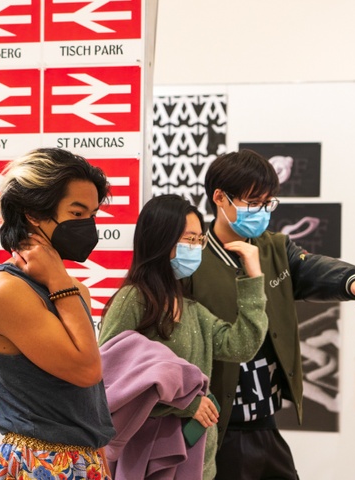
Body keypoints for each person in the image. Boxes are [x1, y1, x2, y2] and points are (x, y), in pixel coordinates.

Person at [184, 149, 355, 479]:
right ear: (220, 198)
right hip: (218, 420)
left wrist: (352, 281)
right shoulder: (192, 256)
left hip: (265, 416)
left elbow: (312, 269)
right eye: (253, 201)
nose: (262, 211)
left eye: (268, 203)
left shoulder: (274, 248)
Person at [98, 194, 269, 480]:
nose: (196, 247)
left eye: (199, 240)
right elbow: (111, 380)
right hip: (149, 456)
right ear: (161, 239)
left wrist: (253, 277)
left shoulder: (191, 308)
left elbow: (242, 346)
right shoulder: (133, 300)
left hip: (197, 457)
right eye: (189, 239)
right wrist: (186, 403)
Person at [0, 147, 115, 480]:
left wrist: (98, 454)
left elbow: (86, 398)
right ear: (33, 212)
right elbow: (86, 370)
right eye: (77, 213)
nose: (88, 226)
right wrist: (59, 281)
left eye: (93, 214)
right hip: (38, 461)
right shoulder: (6, 290)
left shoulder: (71, 289)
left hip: (84, 458)